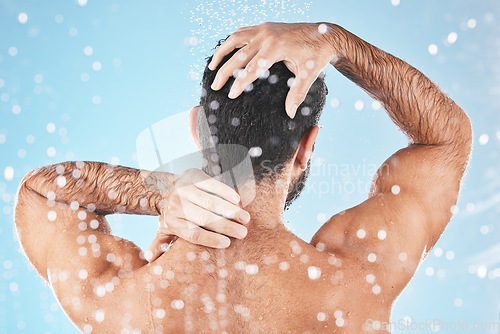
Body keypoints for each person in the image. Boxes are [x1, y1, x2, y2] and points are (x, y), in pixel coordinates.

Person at [14, 22, 472, 333]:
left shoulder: (127, 302)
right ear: (307, 146)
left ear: (197, 127)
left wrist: (156, 190)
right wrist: (337, 43)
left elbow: (40, 194)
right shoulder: (355, 276)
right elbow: (446, 139)